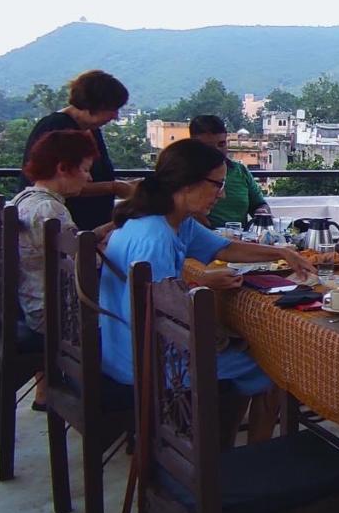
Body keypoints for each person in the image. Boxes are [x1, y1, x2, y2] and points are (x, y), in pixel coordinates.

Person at [97, 139, 314, 444]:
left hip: (121, 348)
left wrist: (283, 253)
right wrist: (202, 288)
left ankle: (223, 443)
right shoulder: (156, 238)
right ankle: (254, 457)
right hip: (147, 363)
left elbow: (225, 248)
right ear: (187, 183)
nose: (222, 193)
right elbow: (165, 316)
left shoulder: (166, 218)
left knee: (248, 350)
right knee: (276, 368)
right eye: (217, 184)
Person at [11, 130, 103, 410]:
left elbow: (71, 247)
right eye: (86, 169)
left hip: (30, 304)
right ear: (63, 168)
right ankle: (107, 402)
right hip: (52, 314)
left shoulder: (25, 199)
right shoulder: (51, 210)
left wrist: (102, 233)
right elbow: (87, 265)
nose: (89, 178)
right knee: (135, 324)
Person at [22, 70, 135, 231]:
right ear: (93, 106)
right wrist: (114, 187)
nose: (115, 116)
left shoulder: (92, 129)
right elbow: (56, 180)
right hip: (69, 227)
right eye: (112, 109)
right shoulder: (56, 127)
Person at [188, 115, 270, 230]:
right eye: (209, 147)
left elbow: (259, 204)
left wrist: (262, 214)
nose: (217, 150)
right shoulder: (184, 175)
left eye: (221, 144)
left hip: (240, 240)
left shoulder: (240, 171)